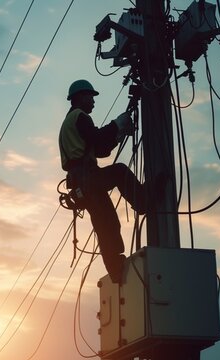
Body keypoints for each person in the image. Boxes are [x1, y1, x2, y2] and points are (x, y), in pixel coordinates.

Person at [58, 79, 163, 283]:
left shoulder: (71, 121)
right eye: (91, 97)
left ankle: (115, 268)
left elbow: (99, 149)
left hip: (82, 182)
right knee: (119, 173)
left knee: (106, 222)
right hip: (86, 177)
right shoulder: (80, 117)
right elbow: (98, 139)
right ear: (80, 97)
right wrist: (117, 124)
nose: (93, 101)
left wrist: (118, 132)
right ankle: (143, 201)